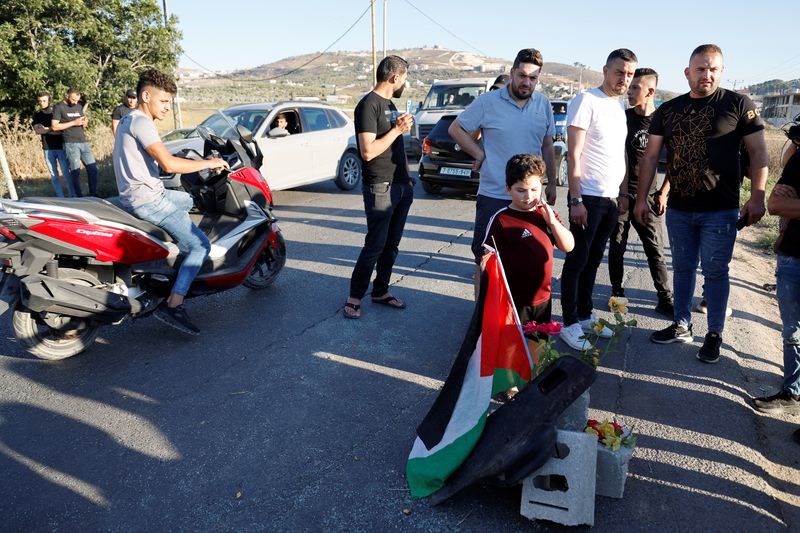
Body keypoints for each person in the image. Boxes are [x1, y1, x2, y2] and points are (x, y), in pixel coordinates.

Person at [634, 44, 768, 364]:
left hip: (720, 210)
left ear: (721, 72)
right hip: (680, 207)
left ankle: (714, 334)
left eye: (713, 69)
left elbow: (759, 152)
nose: (707, 74)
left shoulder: (738, 104)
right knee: (682, 269)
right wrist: (643, 197)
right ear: (687, 72)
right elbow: (651, 157)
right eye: (700, 68)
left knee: (716, 272)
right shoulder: (668, 110)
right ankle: (681, 324)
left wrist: (758, 196)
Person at [113, 69, 228, 334]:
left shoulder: (128, 119)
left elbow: (155, 156)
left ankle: (172, 252)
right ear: (146, 95)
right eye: (163, 101)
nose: (167, 107)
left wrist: (182, 158)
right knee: (200, 245)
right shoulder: (142, 121)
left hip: (135, 194)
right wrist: (209, 163)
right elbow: (167, 162)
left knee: (187, 199)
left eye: (169, 102)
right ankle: (174, 303)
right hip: (149, 199)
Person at [449, 48, 558, 272]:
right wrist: (479, 154)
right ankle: (482, 307)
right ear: (512, 73)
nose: (526, 82)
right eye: (522, 76)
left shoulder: (543, 104)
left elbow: (547, 145)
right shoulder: (488, 101)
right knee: (485, 258)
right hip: (494, 196)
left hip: (531, 198)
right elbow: (456, 128)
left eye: (533, 78)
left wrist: (553, 182)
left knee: (527, 256)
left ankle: (517, 307)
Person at [559, 49, 638, 351]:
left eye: (629, 74)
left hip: (609, 199)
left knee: (593, 261)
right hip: (587, 197)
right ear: (606, 70)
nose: (624, 79)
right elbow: (574, 153)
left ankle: (585, 315)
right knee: (577, 261)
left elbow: (618, 155)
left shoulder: (618, 108)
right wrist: (575, 198)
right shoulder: (586, 101)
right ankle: (568, 324)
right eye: (620, 72)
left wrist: (622, 194)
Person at [343, 55, 414, 320]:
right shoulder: (368, 105)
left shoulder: (391, 104)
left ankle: (380, 291)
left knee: (391, 245)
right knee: (375, 244)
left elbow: (395, 147)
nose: (405, 83)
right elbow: (368, 151)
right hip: (380, 187)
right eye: (405, 78)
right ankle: (354, 297)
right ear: (395, 77)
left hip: (400, 186)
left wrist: (407, 180)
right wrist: (397, 130)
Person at [607, 68, 673, 316]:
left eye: (636, 87)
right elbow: (616, 156)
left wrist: (664, 192)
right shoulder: (622, 118)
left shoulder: (663, 121)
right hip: (622, 194)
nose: (630, 91)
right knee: (617, 247)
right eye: (630, 86)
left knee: (655, 250)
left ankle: (665, 298)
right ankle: (617, 294)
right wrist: (622, 194)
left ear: (650, 91)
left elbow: (674, 163)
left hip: (651, 196)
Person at [483, 154, 574, 326]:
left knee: (539, 346)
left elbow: (568, 246)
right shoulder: (501, 220)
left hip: (543, 299)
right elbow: (486, 264)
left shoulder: (546, 215)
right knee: (515, 349)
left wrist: (553, 223)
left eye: (534, 189)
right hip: (513, 300)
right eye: (521, 190)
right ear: (508, 189)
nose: (528, 196)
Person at [751, 147, 800, 425]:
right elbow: (775, 205)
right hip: (793, 256)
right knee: (792, 331)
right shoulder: (799, 159)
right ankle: (792, 392)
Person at [52, 88, 98, 197]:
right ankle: (78, 197)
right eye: (73, 100)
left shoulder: (78, 106)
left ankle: (93, 195)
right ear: (67, 95)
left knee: (93, 169)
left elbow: (82, 120)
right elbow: (54, 126)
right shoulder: (59, 107)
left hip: (83, 141)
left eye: (77, 100)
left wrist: (85, 122)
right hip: (70, 143)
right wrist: (73, 122)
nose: (75, 102)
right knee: (75, 171)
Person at [31, 92, 70, 197]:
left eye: (44, 101)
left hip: (60, 146)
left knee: (66, 173)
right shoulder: (37, 115)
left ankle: (73, 195)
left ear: (49, 101)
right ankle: (60, 197)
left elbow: (61, 130)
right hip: (47, 148)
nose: (42, 103)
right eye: (40, 101)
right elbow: (38, 131)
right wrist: (52, 128)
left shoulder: (56, 113)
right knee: (54, 175)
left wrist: (46, 129)